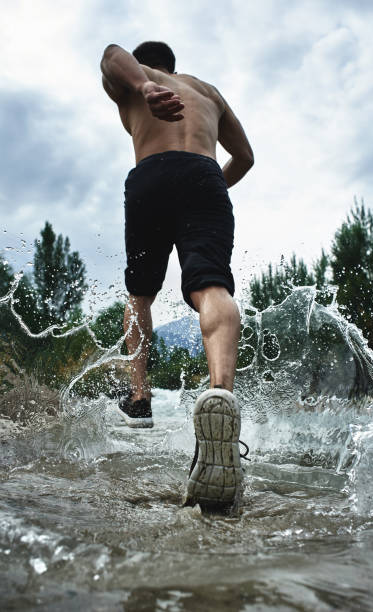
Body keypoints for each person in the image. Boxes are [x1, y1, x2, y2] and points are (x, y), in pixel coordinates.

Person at [100, 41, 254, 507]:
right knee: (211, 286)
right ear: (176, 64)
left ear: (149, 63)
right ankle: (220, 395)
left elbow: (109, 54)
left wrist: (142, 86)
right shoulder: (207, 91)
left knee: (140, 295)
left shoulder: (136, 77)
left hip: (150, 176)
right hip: (205, 176)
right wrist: (203, 188)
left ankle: (140, 396)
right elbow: (245, 156)